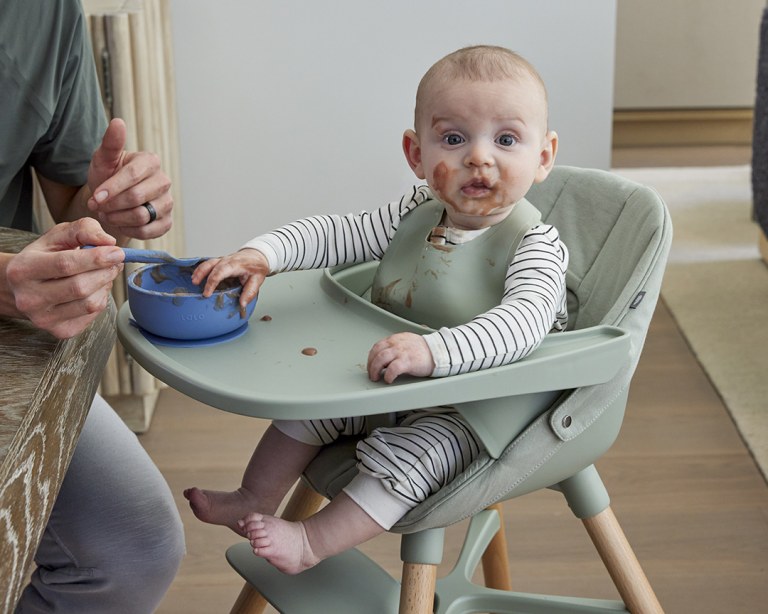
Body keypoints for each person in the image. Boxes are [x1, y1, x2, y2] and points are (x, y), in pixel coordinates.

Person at [184, 45, 567, 574]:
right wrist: (262, 254)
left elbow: (521, 325)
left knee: (417, 455)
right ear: (415, 154)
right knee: (310, 409)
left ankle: (311, 544)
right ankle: (253, 497)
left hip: (479, 404)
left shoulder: (535, 244)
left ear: (543, 157)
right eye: (453, 139)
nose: (479, 157)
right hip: (401, 372)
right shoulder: (413, 214)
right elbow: (333, 234)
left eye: (506, 140)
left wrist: (435, 352)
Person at [0, 1, 185, 611]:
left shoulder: (44, 12)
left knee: (134, 547)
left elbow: (74, 210)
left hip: (12, 330)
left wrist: (111, 207)